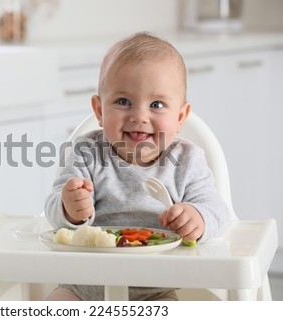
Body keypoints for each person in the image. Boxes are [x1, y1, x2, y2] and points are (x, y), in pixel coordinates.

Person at [43, 32, 231, 301]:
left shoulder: (188, 161)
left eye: (156, 104)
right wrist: (69, 208)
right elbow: (52, 210)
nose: (139, 116)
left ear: (180, 117)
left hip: (156, 289)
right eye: (123, 102)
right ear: (99, 110)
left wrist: (197, 218)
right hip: (83, 285)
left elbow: (217, 210)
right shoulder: (86, 152)